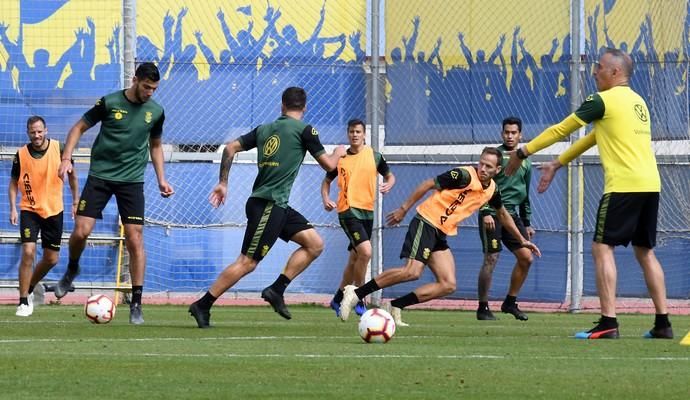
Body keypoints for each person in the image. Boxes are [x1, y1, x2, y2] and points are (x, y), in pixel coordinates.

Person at [505, 48, 673, 339]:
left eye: (600, 68)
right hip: (650, 184)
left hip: (623, 186)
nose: (595, 72)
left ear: (615, 73)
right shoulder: (638, 102)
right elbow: (597, 136)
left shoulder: (602, 100)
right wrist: (559, 162)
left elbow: (562, 128)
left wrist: (523, 151)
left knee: (601, 247)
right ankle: (663, 324)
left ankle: (608, 322)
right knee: (645, 252)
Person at [188, 87, 346, 328]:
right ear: (304, 107)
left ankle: (276, 289)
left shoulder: (264, 129)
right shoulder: (306, 130)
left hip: (276, 205)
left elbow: (230, 147)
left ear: (281, 106)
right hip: (268, 205)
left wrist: (223, 182)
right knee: (247, 262)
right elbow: (328, 165)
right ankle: (203, 304)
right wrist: (338, 152)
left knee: (314, 244)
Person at [339, 147, 541, 325]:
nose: (483, 169)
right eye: (482, 163)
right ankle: (356, 293)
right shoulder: (463, 175)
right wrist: (403, 209)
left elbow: (503, 215)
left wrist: (522, 240)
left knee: (448, 284)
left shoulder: (492, 190)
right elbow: (428, 184)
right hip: (426, 221)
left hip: (441, 231)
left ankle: (396, 306)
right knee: (412, 271)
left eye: (489, 166)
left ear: (497, 170)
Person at [56, 62, 174, 325]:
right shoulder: (109, 103)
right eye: (146, 87)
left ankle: (137, 303)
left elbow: (155, 146)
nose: (150, 93)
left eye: (154, 89)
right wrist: (66, 158)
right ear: (135, 80)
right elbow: (78, 128)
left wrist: (161, 179)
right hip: (100, 176)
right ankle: (73, 268)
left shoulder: (156, 112)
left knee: (135, 239)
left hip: (131, 181)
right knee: (80, 232)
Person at [321, 119, 395, 318]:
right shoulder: (341, 158)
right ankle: (359, 298)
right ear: (348, 134)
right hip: (348, 211)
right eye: (352, 131)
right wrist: (326, 198)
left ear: (364, 135)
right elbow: (326, 182)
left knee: (355, 258)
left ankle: (337, 299)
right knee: (366, 252)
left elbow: (390, 176)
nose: (354, 135)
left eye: (358, 131)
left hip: (367, 212)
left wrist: (389, 183)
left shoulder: (374, 156)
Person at [8, 116, 79, 317]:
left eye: (40, 131)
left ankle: (29, 287)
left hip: (54, 211)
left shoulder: (60, 148)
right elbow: (13, 183)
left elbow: (72, 175)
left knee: (51, 258)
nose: (36, 135)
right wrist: (13, 207)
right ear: (28, 132)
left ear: (45, 130)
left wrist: (75, 201)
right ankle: (23, 302)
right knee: (28, 251)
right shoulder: (21, 155)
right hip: (29, 209)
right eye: (33, 132)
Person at [476, 116, 535, 321]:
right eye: (506, 132)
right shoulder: (495, 156)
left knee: (526, 258)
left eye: (514, 133)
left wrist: (527, 223)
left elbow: (525, 194)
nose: (510, 136)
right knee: (491, 258)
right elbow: (482, 184)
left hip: (512, 215)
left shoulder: (526, 162)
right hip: (492, 212)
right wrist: (484, 211)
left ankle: (510, 302)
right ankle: (483, 307)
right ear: (502, 134)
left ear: (520, 135)